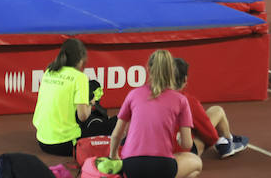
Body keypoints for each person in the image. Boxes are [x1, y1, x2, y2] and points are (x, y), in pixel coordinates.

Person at [108, 50, 202, 178]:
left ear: (148, 69)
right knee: (196, 163)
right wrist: (179, 138)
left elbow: (116, 135)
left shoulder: (133, 94)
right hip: (162, 166)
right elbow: (187, 144)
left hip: (131, 166)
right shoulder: (180, 100)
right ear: (172, 71)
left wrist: (113, 156)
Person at [33, 38, 104, 156]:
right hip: (66, 144)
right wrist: (91, 101)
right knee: (112, 125)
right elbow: (83, 116)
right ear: (81, 59)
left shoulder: (49, 71)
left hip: (42, 140)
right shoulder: (79, 77)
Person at [172, 57, 248, 158]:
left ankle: (226, 140)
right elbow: (209, 134)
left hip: (151, 152)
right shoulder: (187, 101)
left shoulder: (149, 97)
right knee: (217, 111)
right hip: (180, 154)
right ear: (185, 80)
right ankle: (227, 141)